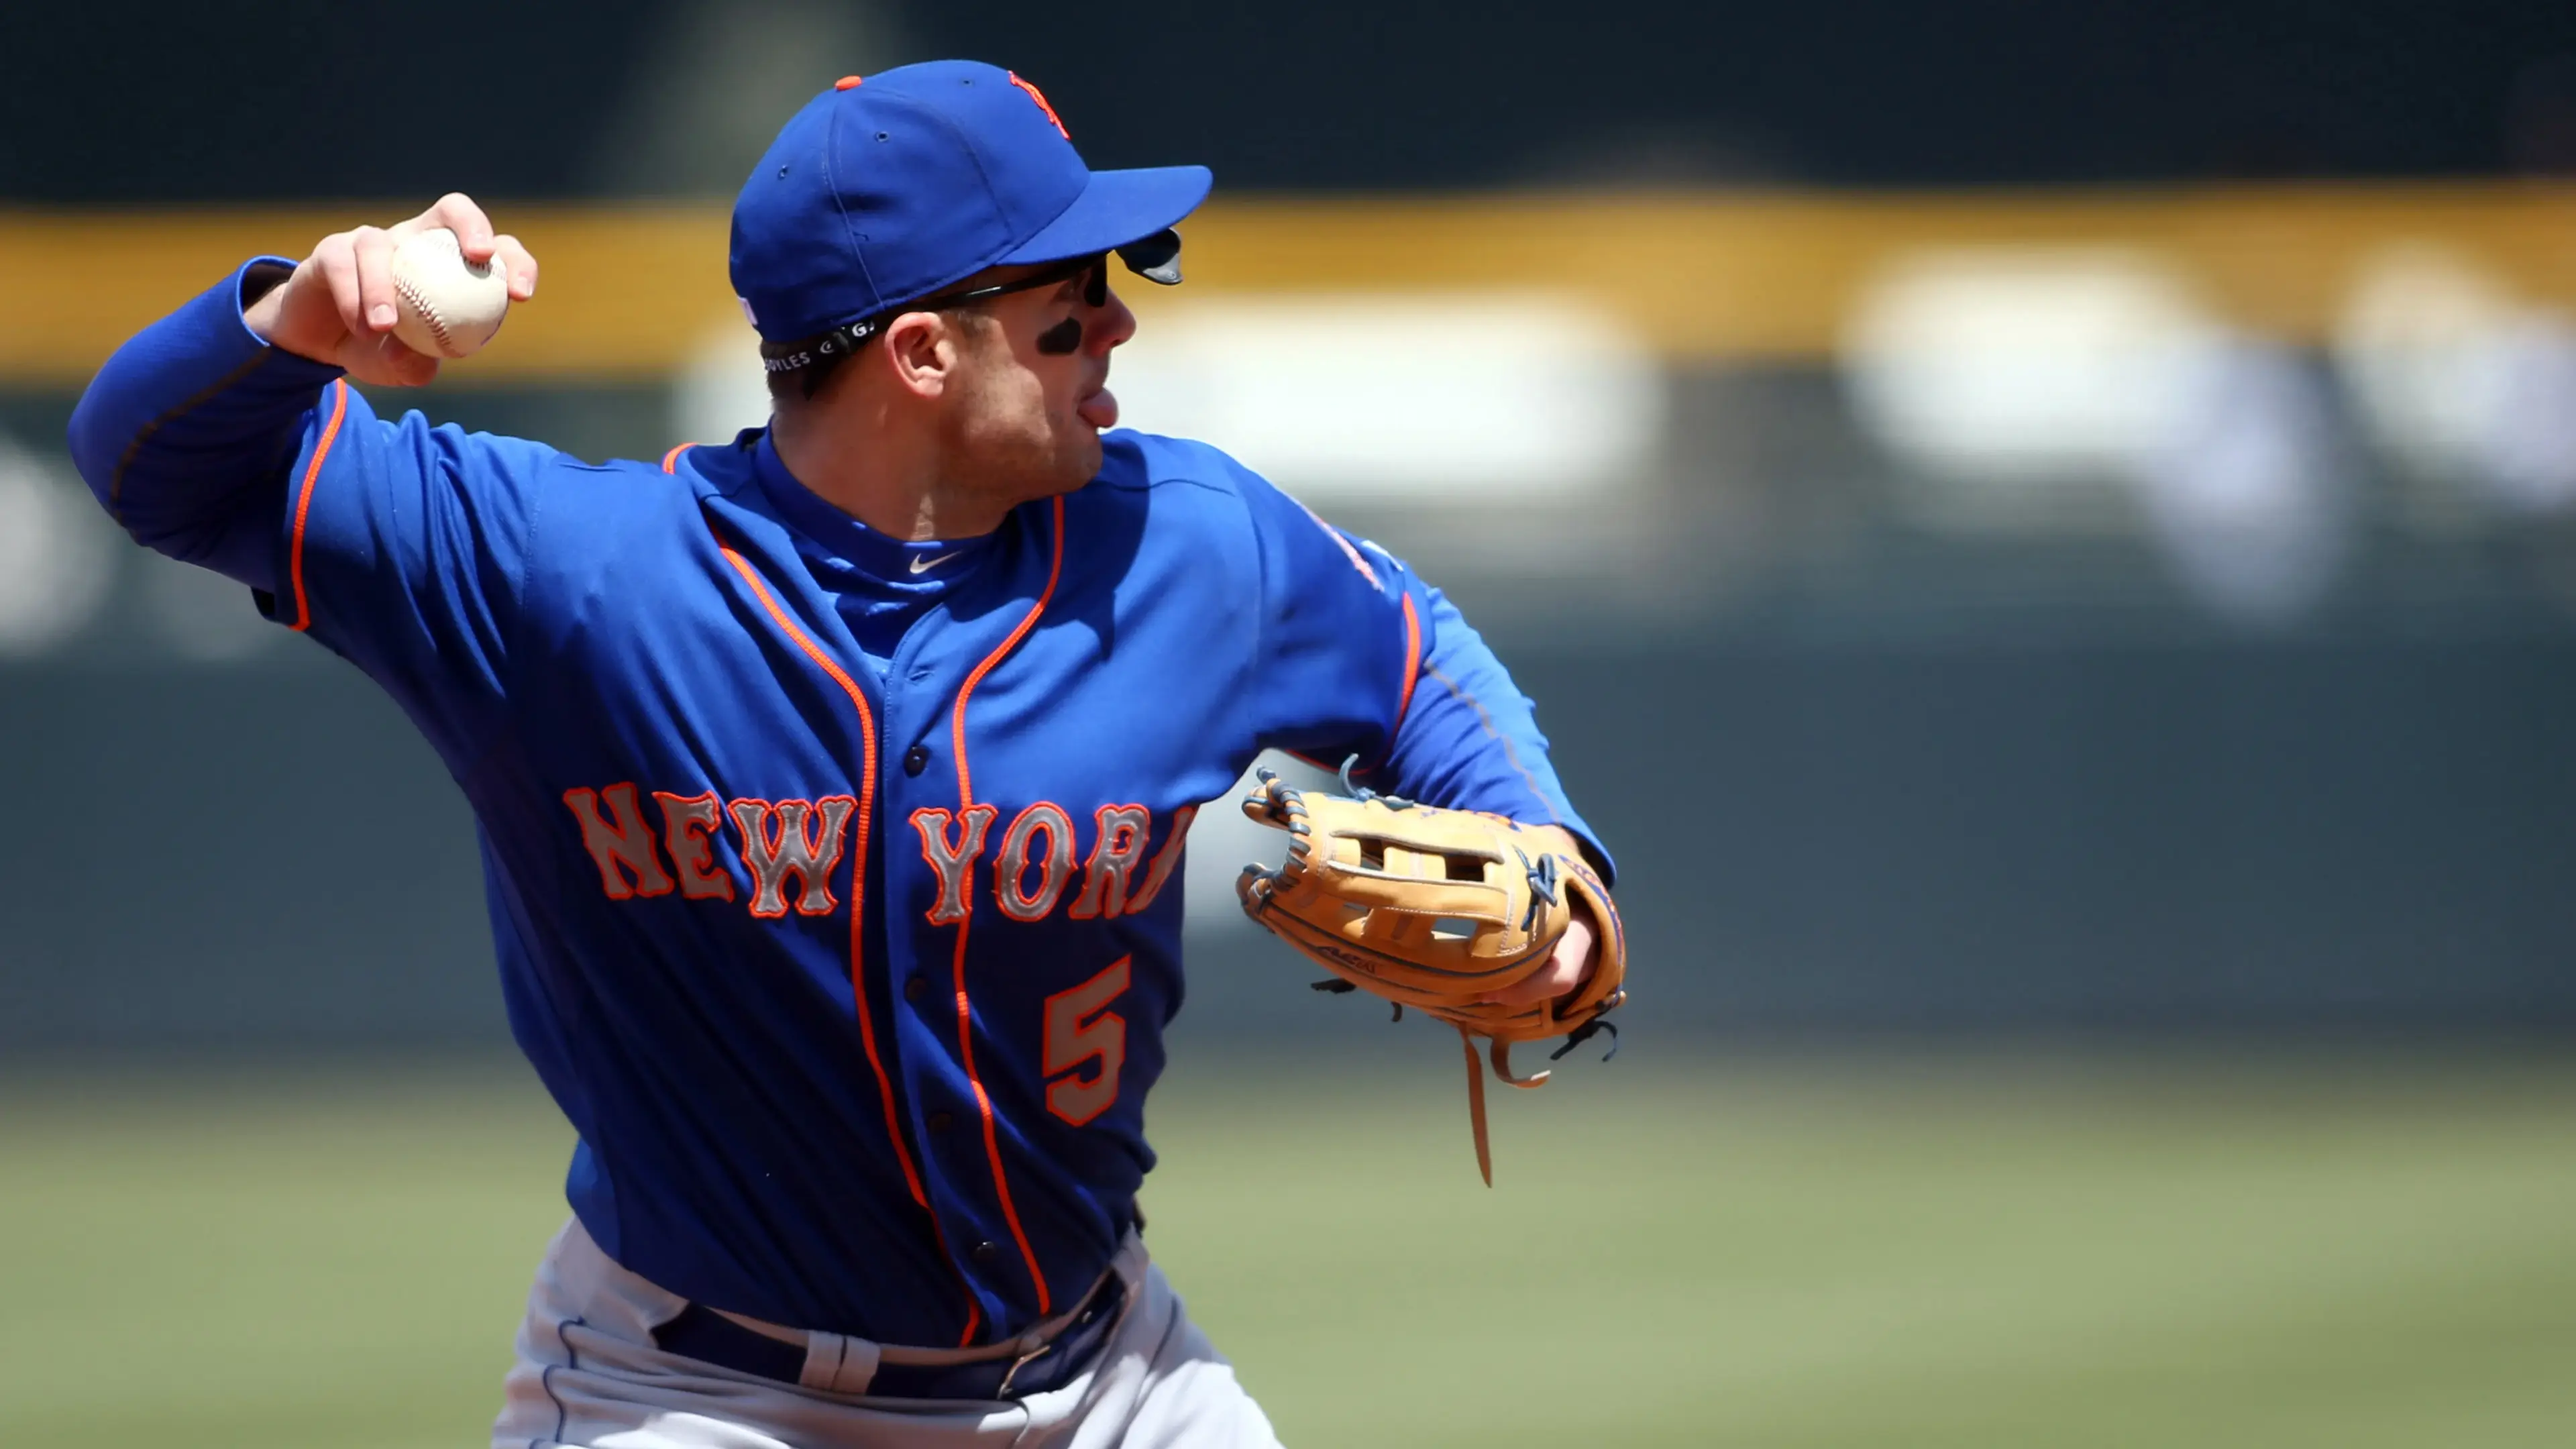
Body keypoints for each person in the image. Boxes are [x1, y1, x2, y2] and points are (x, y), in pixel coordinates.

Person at [67, 59, 1618, 1448]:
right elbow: (157, 471)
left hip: (1111, 1379)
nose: (1123, 323)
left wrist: (1538, 841)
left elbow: (1414, 655)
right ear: (927, 356)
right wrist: (291, 327)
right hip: (695, 1391)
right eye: (1072, 299)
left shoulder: (1185, 541)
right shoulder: (570, 576)